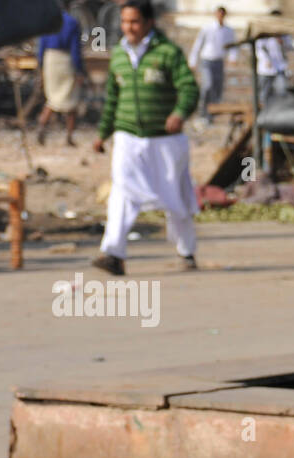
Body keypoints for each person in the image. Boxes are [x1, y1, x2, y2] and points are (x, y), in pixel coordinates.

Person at [92, 0, 200, 275]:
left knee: (175, 197)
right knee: (122, 192)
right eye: (125, 22)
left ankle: (186, 251)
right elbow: (112, 100)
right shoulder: (118, 55)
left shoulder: (167, 53)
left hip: (164, 141)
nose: (128, 27)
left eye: (134, 22)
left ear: (149, 22)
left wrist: (179, 113)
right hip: (127, 138)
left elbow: (189, 88)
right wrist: (103, 134)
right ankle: (113, 254)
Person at [37, 1, 86, 146]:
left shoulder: (47, 22)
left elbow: (41, 48)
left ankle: (41, 126)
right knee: (71, 100)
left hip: (50, 61)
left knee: (52, 98)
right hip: (65, 61)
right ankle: (69, 137)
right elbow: (75, 50)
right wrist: (79, 70)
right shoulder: (72, 23)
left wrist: (40, 66)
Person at [190, 5, 236, 122]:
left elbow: (232, 45)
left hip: (219, 61)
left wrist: (232, 57)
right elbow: (198, 44)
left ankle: (212, 113)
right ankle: (203, 111)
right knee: (208, 85)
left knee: (217, 88)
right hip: (207, 61)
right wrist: (193, 60)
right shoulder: (207, 28)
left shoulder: (228, 30)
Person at [255, 17, 290, 109]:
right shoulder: (263, 37)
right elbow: (259, 50)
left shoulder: (283, 36)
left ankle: (280, 109)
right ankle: (264, 111)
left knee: (281, 90)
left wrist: (282, 42)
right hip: (266, 69)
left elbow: (290, 47)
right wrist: (266, 60)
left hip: (280, 67)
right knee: (264, 92)